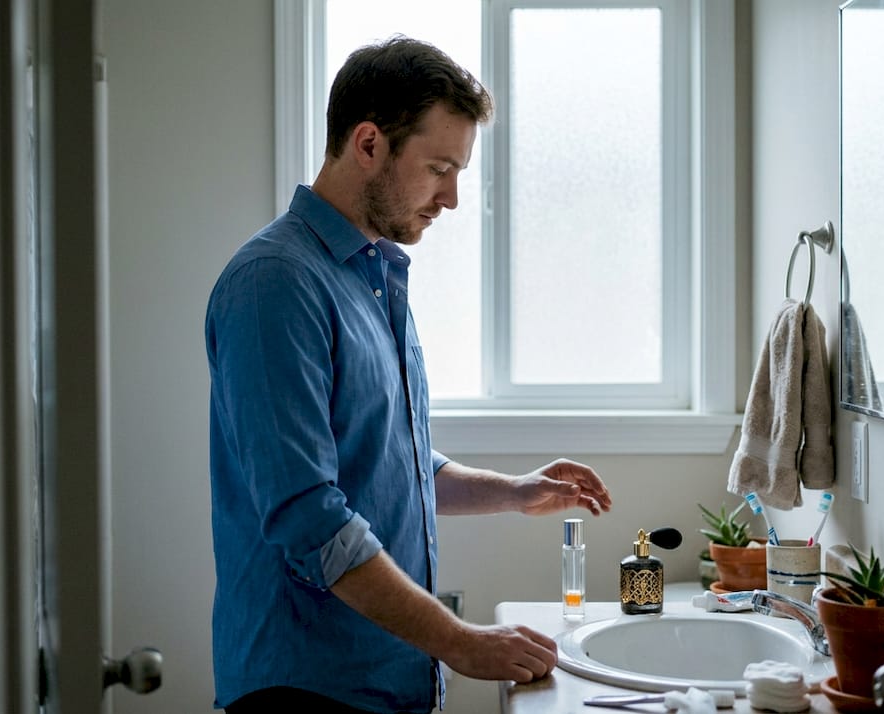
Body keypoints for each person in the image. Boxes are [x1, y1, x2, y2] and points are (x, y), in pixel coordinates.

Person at [205, 35, 612, 714]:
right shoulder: (274, 283)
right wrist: (459, 640)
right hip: (307, 687)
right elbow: (310, 515)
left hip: (382, 680)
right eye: (439, 167)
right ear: (369, 144)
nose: (451, 197)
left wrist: (513, 492)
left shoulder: (371, 277)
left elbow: (386, 463)